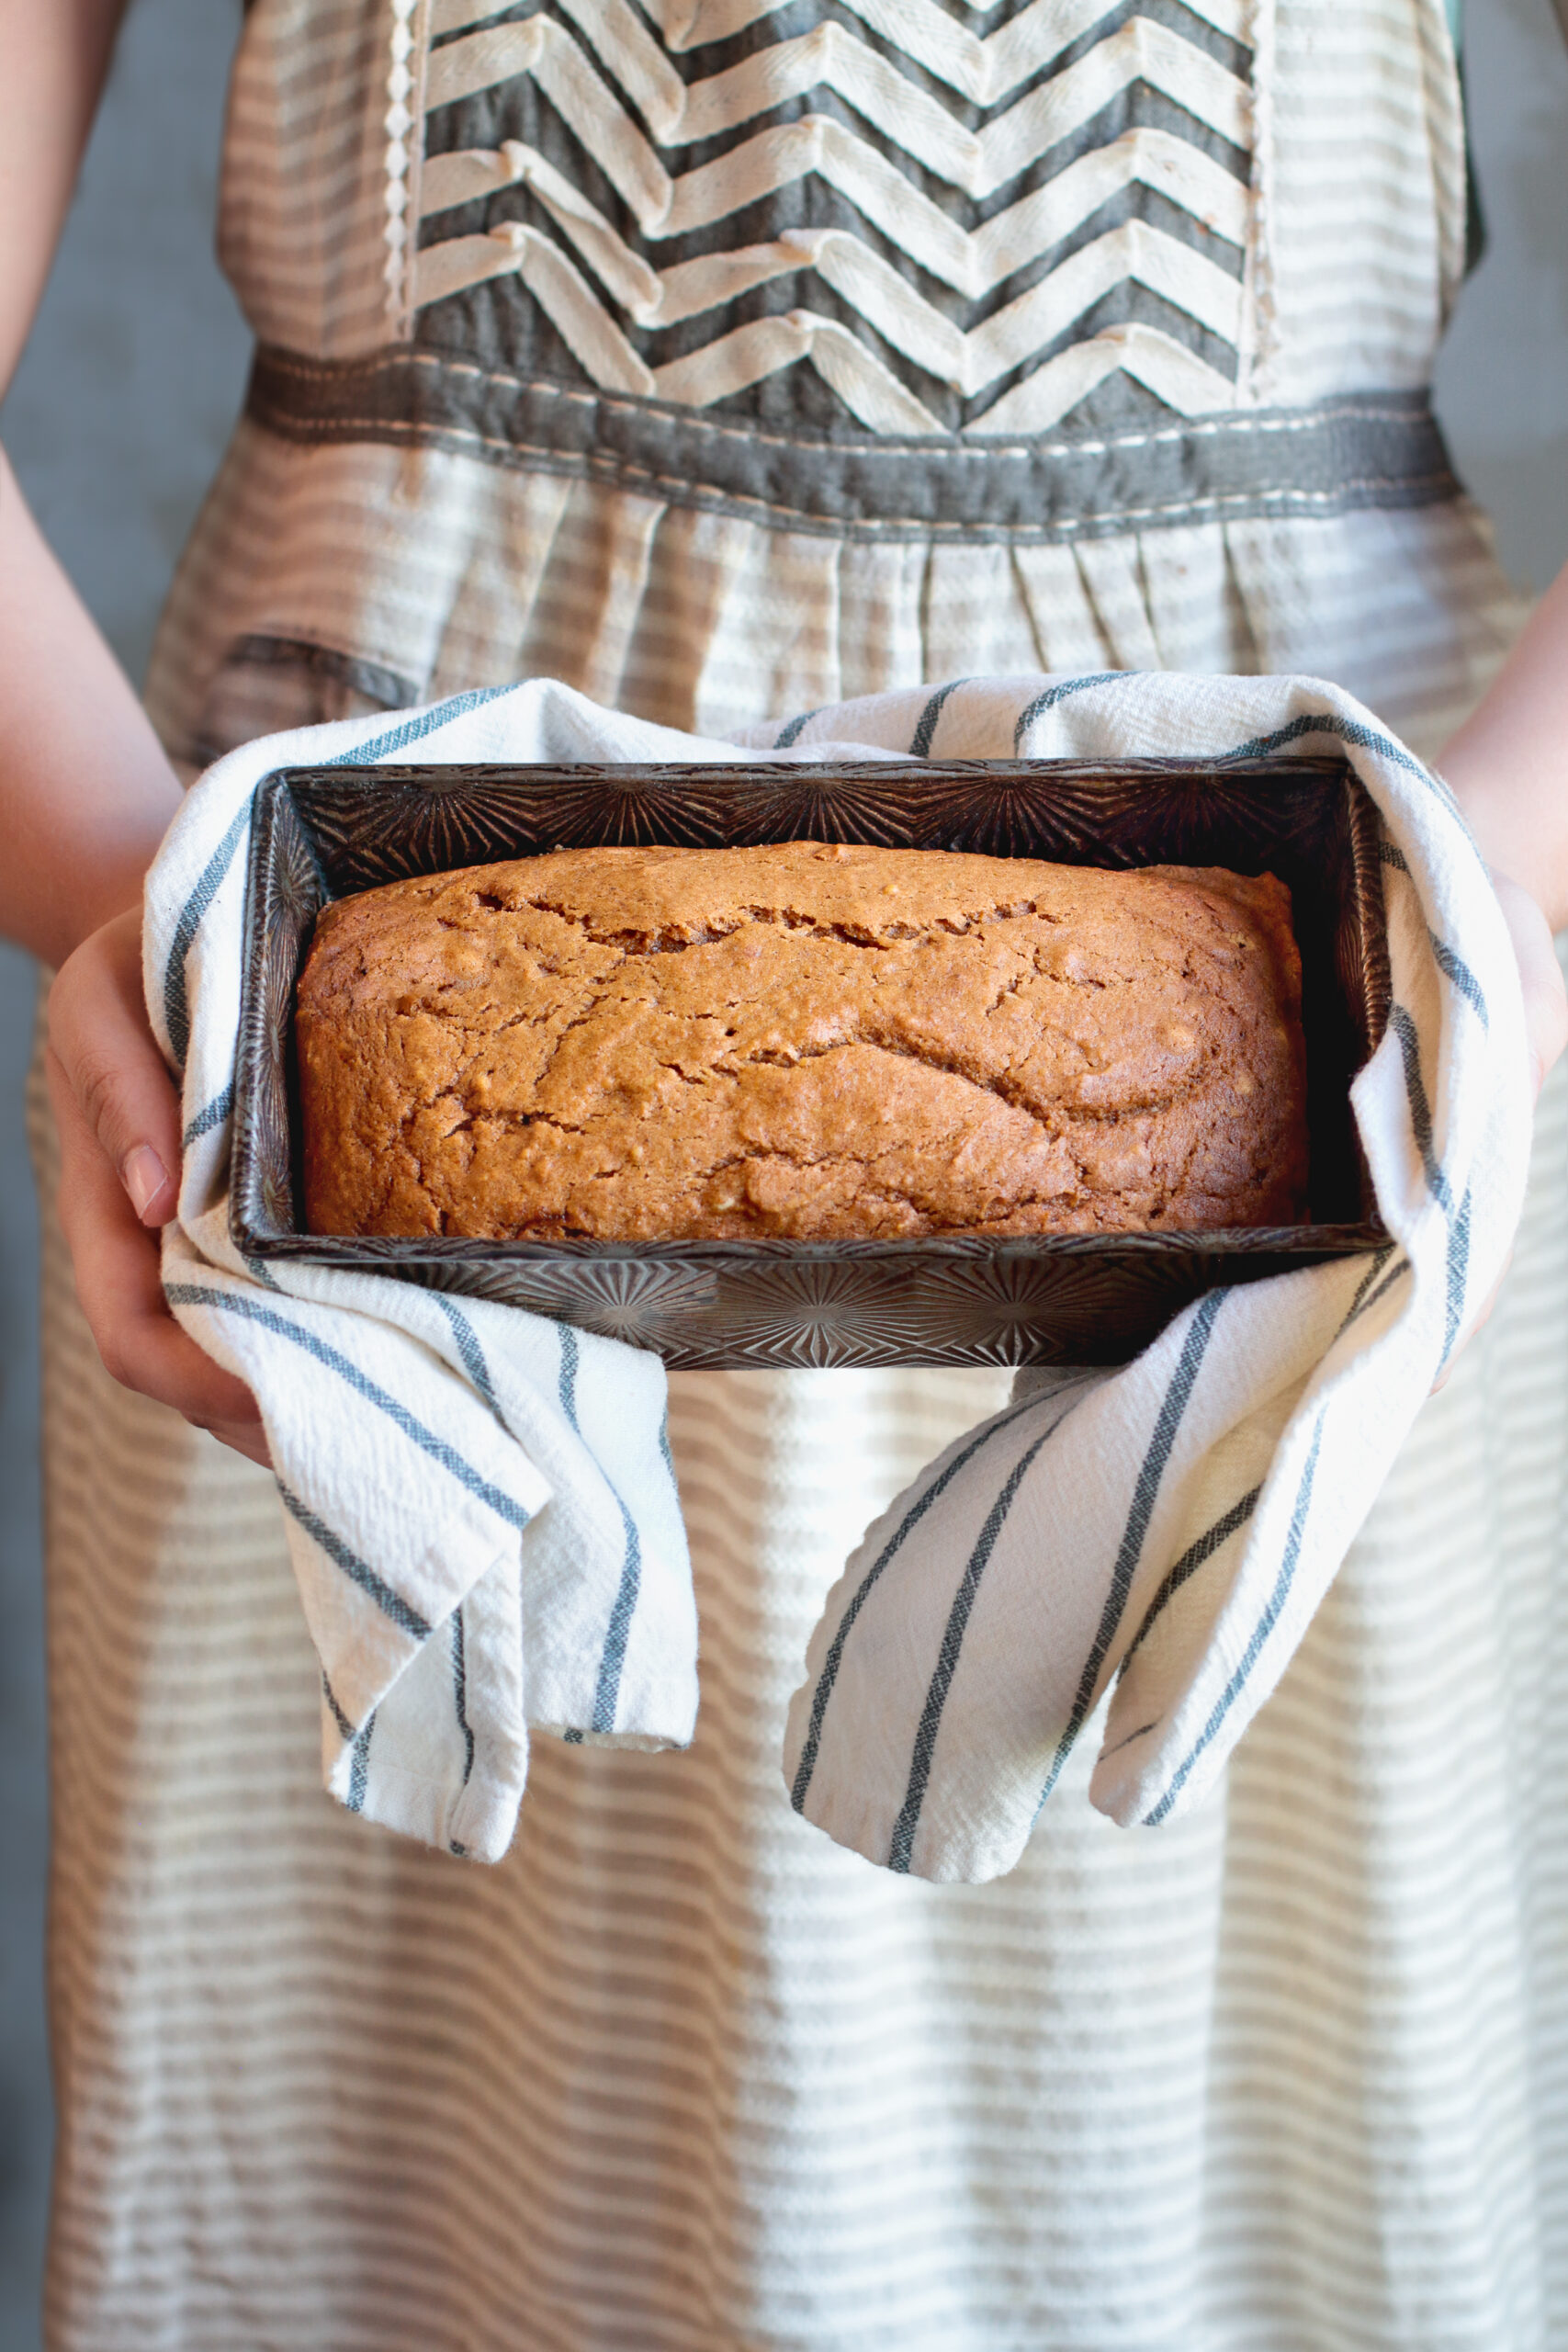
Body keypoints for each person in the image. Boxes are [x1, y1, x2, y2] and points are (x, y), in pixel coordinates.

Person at [7, 1, 1568, 2342]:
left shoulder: (1361, 998)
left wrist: (1442, 956)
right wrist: (159, 914)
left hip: (1297, 1079)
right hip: (349, 1144)